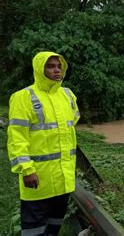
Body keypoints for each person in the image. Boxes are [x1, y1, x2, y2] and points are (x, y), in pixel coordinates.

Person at [7, 51, 80, 235]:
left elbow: (72, 122)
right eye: (50, 66)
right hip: (38, 180)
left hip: (63, 180)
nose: (57, 70)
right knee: (34, 231)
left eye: (59, 66)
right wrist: (26, 169)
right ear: (39, 69)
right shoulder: (24, 97)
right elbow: (17, 137)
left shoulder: (68, 95)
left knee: (54, 227)